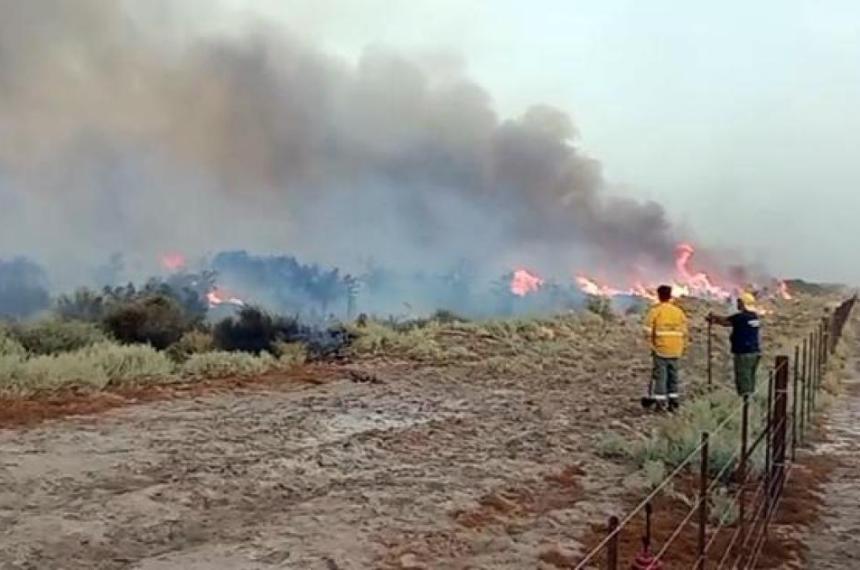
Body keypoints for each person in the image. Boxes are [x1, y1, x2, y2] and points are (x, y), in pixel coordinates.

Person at [643, 285, 688, 412]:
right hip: (676, 350)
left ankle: (660, 403)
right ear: (670, 295)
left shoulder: (655, 311)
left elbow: (647, 330)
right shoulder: (678, 312)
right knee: (673, 376)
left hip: (661, 350)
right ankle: (673, 402)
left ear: (659, 295)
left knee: (661, 377)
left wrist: (652, 344)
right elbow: (684, 331)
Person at [708, 292, 761, 397]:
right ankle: (750, 398)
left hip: (743, 353)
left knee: (743, 377)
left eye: (739, 302)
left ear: (743, 303)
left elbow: (725, 321)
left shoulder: (741, 317)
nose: (737, 304)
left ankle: (746, 402)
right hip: (754, 352)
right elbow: (728, 322)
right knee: (750, 377)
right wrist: (716, 319)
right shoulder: (753, 316)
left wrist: (713, 318)